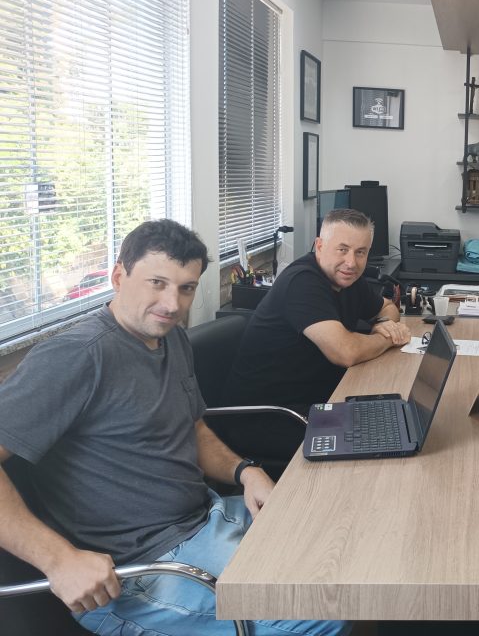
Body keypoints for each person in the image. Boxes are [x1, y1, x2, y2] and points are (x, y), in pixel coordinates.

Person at [0, 219, 342, 635]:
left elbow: (192, 427)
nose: (172, 303)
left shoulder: (170, 338)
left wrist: (245, 471)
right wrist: (58, 560)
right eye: (157, 283)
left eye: (186, 288)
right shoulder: (76, 356)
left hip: (206, 517)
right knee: (320, 612)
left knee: (342, 549)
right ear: (118, 277)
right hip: (140, 569)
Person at [223, 209, 410, 461]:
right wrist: (387, 338)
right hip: (268, 418)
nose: (351, 262)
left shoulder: (348, 279)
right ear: (319, 246)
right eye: (342, 249)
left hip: (315, 402)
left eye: (360, 252)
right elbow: (345, 352)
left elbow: (388, 308)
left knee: (392, 423)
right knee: (378, 444)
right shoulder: (302, 282)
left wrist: (384, 324)